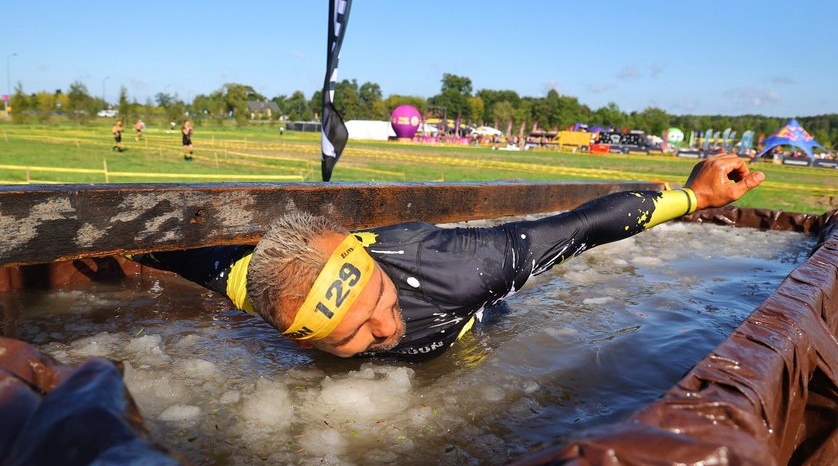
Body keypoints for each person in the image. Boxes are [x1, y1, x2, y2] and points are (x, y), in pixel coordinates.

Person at [135, 154, 765, 360]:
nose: (386, 327)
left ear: (376, 268)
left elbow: (583, 227)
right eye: (350, 334)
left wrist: (696, 195)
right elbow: (167, 250)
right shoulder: (243, 283)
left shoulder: (463, 266)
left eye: (378, 301)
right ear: (292, 333)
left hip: (467, 322)